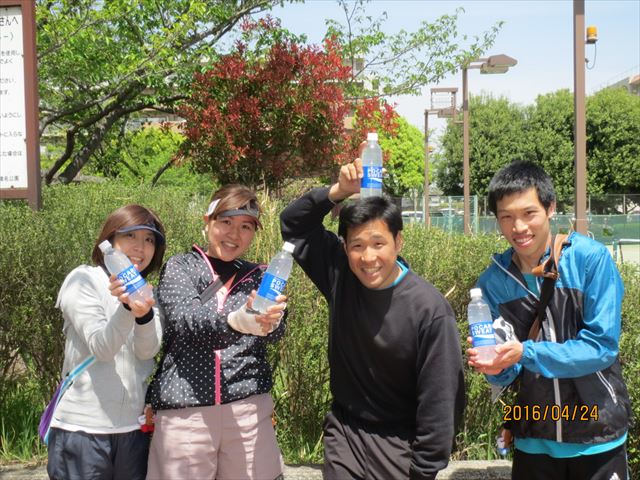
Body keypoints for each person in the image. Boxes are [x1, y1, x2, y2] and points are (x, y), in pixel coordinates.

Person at [280, 159, 465, 480]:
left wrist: (424, 469)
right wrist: (337, 192)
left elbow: (441, 398)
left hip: (401, 445)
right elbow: (294, 225)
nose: (368, 257)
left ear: (398, 241)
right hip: (345, 435)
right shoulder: (341, 274)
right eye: (357, 245)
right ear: (345, 247)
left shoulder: (429, 309)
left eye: (379, 243)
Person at [468, 161, 631, 480]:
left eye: (529, 213)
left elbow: (601, 347)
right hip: (533, 438)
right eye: (506, 217)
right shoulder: (492, 283)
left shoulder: (590, 260)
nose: (518, 227)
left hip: (598, 435)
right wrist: (495, 367)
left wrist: (526, 352)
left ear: (550, 208)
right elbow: (509, 372)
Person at [146, 184, 287, 480]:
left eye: (246, 226)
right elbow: (185, 320)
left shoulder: (261, 276)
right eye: (226, 222)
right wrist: (235, 321)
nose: (234, 234)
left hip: (248, 412)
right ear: (207, 221)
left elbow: (276, 332)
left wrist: (272, 321)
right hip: (186, 411)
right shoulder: (181, 267)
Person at [47, 205, 166, 480]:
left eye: (149, 239)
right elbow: (102, 348)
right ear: (109, 242)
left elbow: (147, 351)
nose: (140, 247)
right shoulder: (83, 280)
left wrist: (144, 313)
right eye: (130, 236)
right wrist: (126, 309)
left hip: (132, 432)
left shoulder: (149, 294)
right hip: (83, 430)